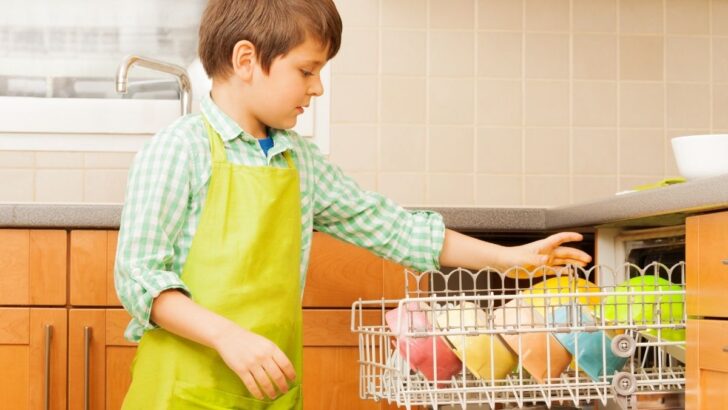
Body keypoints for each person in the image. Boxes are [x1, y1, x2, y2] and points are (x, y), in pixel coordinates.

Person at [114, 0, 592, 408]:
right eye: (306, 70)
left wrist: (510, 259)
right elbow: (140, 279)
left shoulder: (297, 161)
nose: (317, 87)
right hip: (180, 392)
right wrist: (227, 336)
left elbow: (393, 227)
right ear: (246, 59)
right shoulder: (180, 148)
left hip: (268, 391)